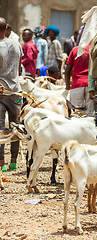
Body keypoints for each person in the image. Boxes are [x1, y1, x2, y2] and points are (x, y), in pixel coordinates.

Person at [0, 17, 23, 172]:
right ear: (6, 28)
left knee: (0, 127)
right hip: (16, 91)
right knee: (16, 126)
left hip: (1, 92)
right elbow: (19, 69)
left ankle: (1, 163)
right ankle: (14, 160)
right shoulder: (16, 43)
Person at [65, 44, 92, 114]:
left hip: (77, 84)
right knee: (90, 113)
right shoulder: (94, 49)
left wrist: (67, 86)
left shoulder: (75, 50)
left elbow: (67, 70)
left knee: (76, 112)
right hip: (91, 85)